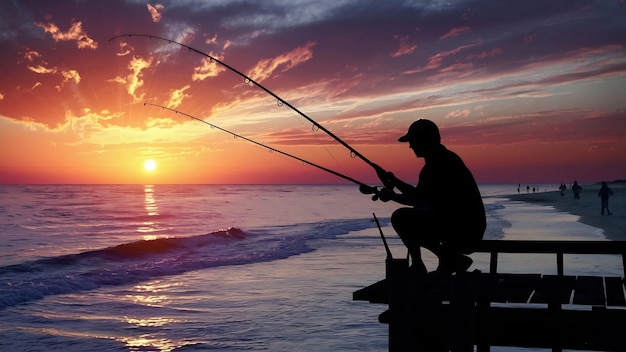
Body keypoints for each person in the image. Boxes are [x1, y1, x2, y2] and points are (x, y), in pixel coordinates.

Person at [373, 119, 486, 275]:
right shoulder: (444, 159)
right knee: (410, 218)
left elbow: (417, 198)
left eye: (412, 141)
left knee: (400, 218)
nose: (410, 146)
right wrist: (393, 190)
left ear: (424, 140)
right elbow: (421, 200)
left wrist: (393, 186)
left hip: (463, 231)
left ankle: (431, 262)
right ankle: (447, 260)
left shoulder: (438, 163)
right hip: (466, 228)